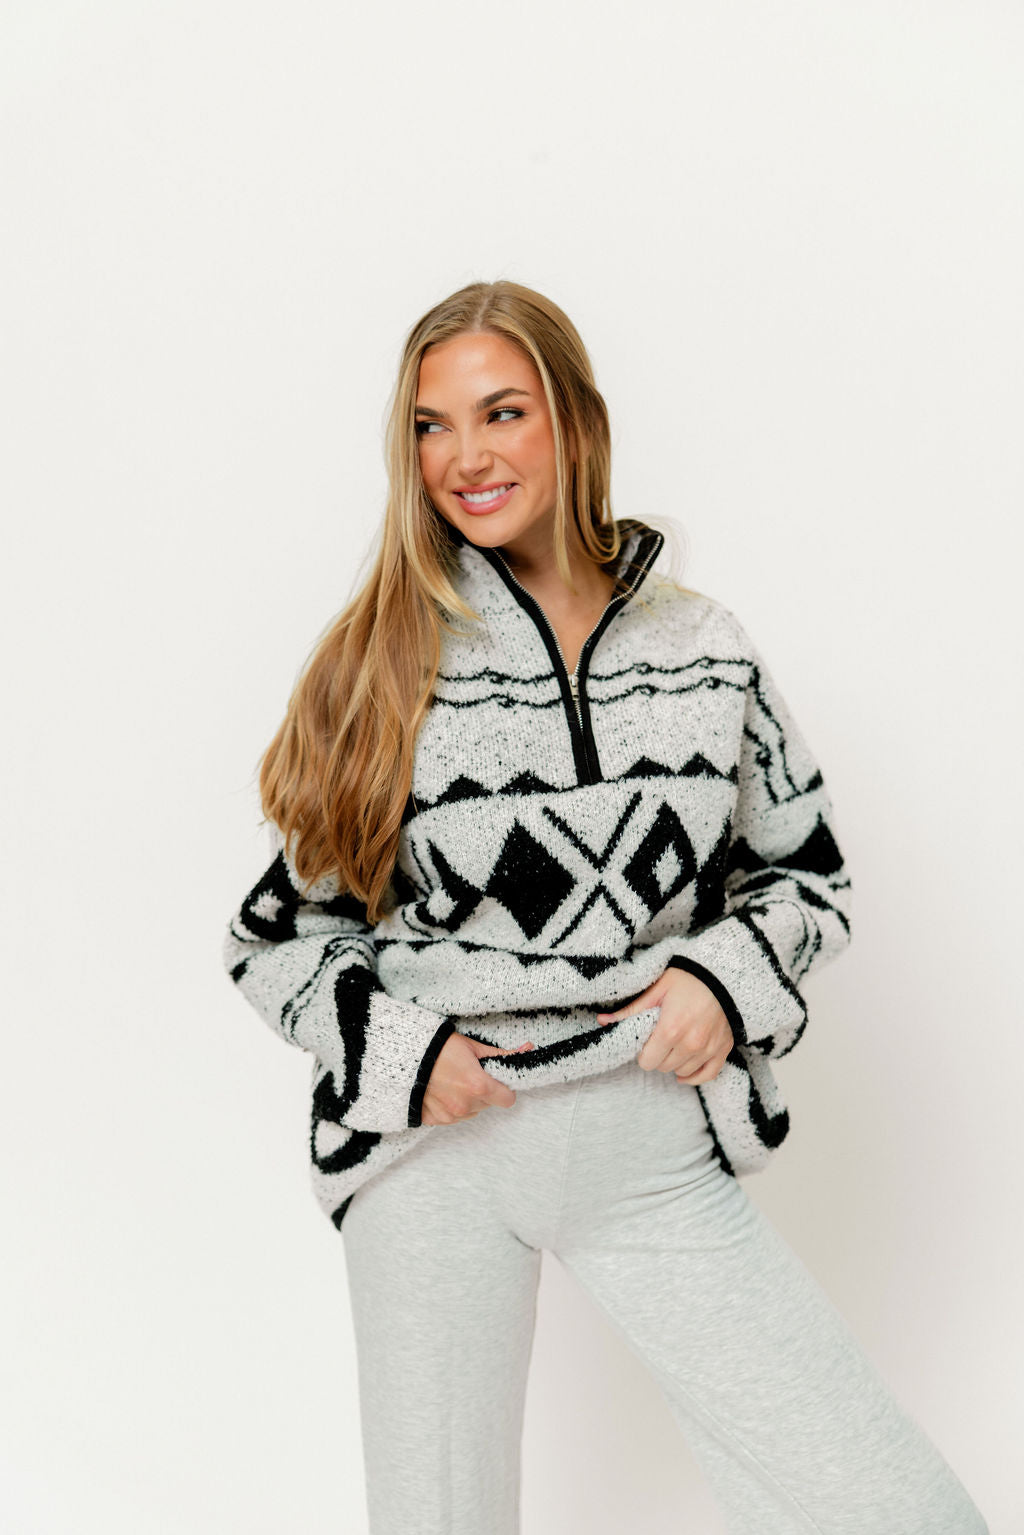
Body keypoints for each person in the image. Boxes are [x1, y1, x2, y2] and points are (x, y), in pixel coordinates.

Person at [221, 279, 987, 1534]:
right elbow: (277, 935)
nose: (464, 456)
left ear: (575, 420)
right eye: (430, 425)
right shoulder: (379, 662)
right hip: (433, 1159)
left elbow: (806, 874)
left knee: (889, 1504)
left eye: (501, 411)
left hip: (645, 1142)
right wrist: (401, 1051)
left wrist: (722, 977)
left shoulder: (706, 649)